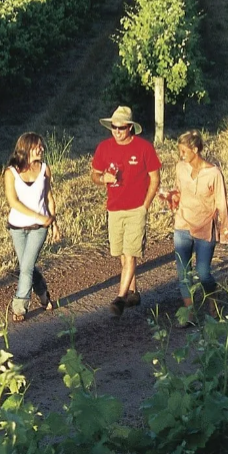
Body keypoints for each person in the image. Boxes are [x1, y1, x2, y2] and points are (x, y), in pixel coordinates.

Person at [90, 106, 161, 316]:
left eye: (120, 128)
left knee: (130, 253)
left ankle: (120, 298)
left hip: (136, 209)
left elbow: (155, 178)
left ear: (130, 127)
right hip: (114, 209)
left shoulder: (144, 148)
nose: (116, 131)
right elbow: (94, 174)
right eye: (113, 127)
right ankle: (133, 292)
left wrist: (145, 207)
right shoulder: (104, 147)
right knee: (122, 253)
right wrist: (103, 179)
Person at [161, 130, 228, 326]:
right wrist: (171, 196)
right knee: (183, 273)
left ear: (195, 149)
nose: (181, 155)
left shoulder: (214, 173)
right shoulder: (180, 168)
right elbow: (179, 191)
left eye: (184, 151)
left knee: (203, 273)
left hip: (204, 227)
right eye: (180, 151)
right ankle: (189, 313)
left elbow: (222, 203)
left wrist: (224, 231)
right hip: (182, 224)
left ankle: (213, 299)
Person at [4, 132, 57, 322]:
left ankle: (19, 306)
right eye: (37, 146)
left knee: (25, 268)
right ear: (25, 149)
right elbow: (13, 202)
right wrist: (38, 216)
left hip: (38, 227)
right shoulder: (11, 172)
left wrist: (53, 222)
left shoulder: (45, 169)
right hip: (17, 226)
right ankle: (43, 295)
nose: (41, 149)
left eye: (41, 146)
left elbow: (49, 198)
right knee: (27, 265)